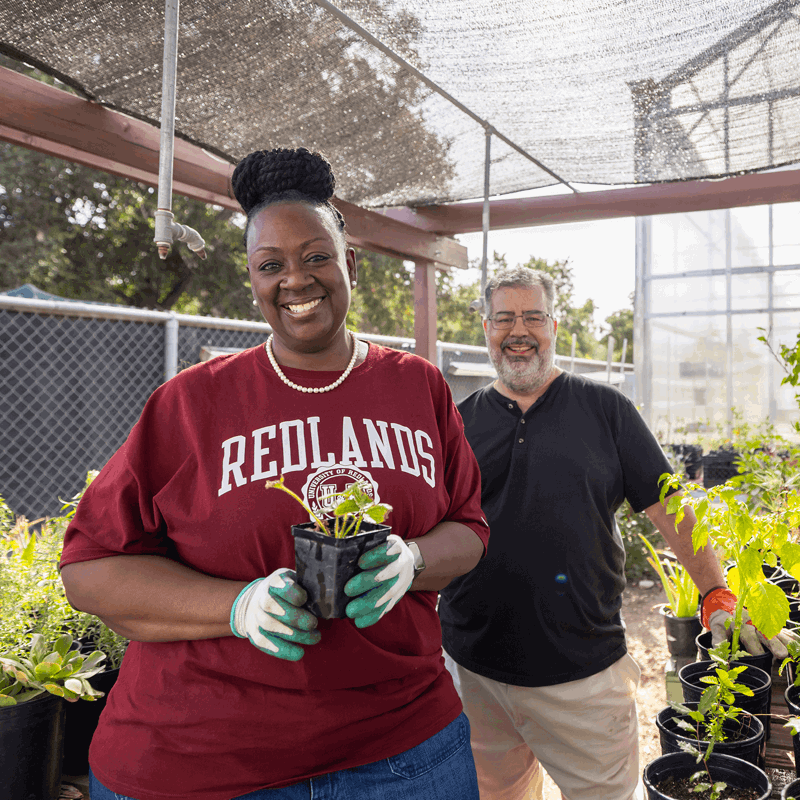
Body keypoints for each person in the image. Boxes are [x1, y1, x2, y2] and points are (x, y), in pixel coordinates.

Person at [59, 146, 489, 800]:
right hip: (201, 759)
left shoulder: (418, 387)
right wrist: (234, 607)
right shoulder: (189, 403)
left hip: (405, 754)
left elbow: (469, 527)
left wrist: (413, 559)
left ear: (351, 261)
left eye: (316, 255)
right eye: (271, 265)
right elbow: (90, 569)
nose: (296, 280)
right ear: (253, 279)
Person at [437, 266, 793, 800]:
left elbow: (672, 510)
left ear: (554, 325)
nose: (519, 330)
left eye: (533, 316)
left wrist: (715, 591)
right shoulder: (458, 421)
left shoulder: (606, 410)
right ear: (485, 327)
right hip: (474, 673)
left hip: (581, 674)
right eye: (504, 318)